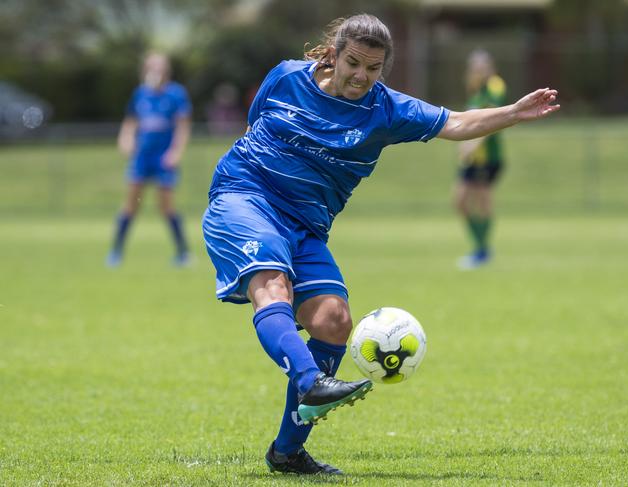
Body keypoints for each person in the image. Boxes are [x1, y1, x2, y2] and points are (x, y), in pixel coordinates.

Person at [202, 14, 559, 476]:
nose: (361, 76)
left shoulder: (386, 110)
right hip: (244, 197)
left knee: (333, 321)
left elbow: (454, 122)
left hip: (307, 225)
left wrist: (512, 113)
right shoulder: (287, 76)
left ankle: (286, 454)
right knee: (272, 284)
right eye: (353, 63)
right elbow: (255, 125)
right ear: (333, 54)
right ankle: (312, 381)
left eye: (373, 69)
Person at [107, 52, 192, 267]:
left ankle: (183, 253)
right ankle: (116, 253)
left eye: (160, 66)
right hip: (142, 158)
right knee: (130, 205)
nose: (156, 70)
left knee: (166, 207)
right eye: (152, 66)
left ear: (166, 70)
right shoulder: (140, 94)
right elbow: (130, 122)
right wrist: (125, 139)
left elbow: (183, 127)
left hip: (163, 159)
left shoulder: (176, 94)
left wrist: (176, 152)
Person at [455, 49, 507, 270]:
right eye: (475, 66)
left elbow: (492, 118)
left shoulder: (495, 85)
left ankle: (482, 251)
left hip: (488, 157)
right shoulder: (475, 90)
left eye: (481, 66)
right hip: (472, 158)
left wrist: (473, 144)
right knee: (460, 201)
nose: (478, 70)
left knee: (482, 201)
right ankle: (480, 248)